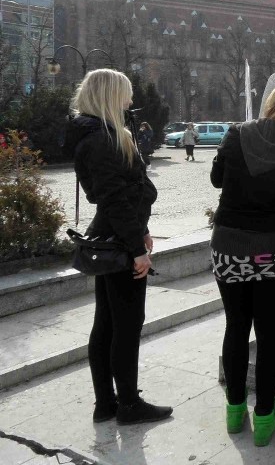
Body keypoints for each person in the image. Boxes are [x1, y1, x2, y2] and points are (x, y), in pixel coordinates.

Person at [63, 69, 171, 425]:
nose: (130, 101)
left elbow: (119, 197)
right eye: (125, 94)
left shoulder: (99, 134)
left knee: (107, 323)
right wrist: (137, 247)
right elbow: (113, 198)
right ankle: (127, 404)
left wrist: (142, 231)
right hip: (119, 242)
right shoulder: (103, 139)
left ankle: (105, 403)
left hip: (114, 236)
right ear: (110, 96)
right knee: (126, 324)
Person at [210, 78, 275, 446]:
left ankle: (234, 411)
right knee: (269, 333)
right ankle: (266, 417)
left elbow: (215, 179)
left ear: (271, 101)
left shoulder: (236, 134)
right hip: (272, 250)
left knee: (236, 326)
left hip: (229, 245)